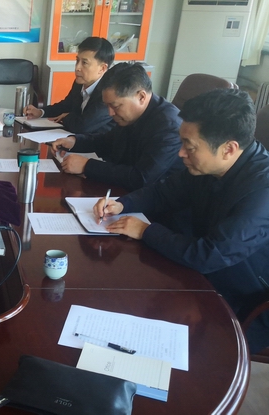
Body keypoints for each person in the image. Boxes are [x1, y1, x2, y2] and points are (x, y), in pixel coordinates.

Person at [94, 89, 269, 353]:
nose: (181, 153)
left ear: (229, 149)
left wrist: (146, 231)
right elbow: (165, 191)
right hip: (201, 275)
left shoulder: (262, 192)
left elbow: (209, 255)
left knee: (145, 334)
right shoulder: (211, 165)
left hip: (244, 301)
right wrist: (122, 203)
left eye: (190, 146)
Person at [50, 63, 184, 191]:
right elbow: (108, 141)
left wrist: (87, 166)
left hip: (154, 201)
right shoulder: (130, 115)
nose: (110, 113)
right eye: (107, 106)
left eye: (115, 106)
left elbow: (141, 178)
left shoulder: (169, 127)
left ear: (141, 97)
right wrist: (74, 141)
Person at [24, 37, 115, 135]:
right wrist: (41, 112)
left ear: (102, 68)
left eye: (84, 63)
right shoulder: (79, 83)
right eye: (77, 61)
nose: (77, 67)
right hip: (75, 138)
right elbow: (65, 106)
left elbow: (82, 126)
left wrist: (67, 117)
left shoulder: (109, 93)